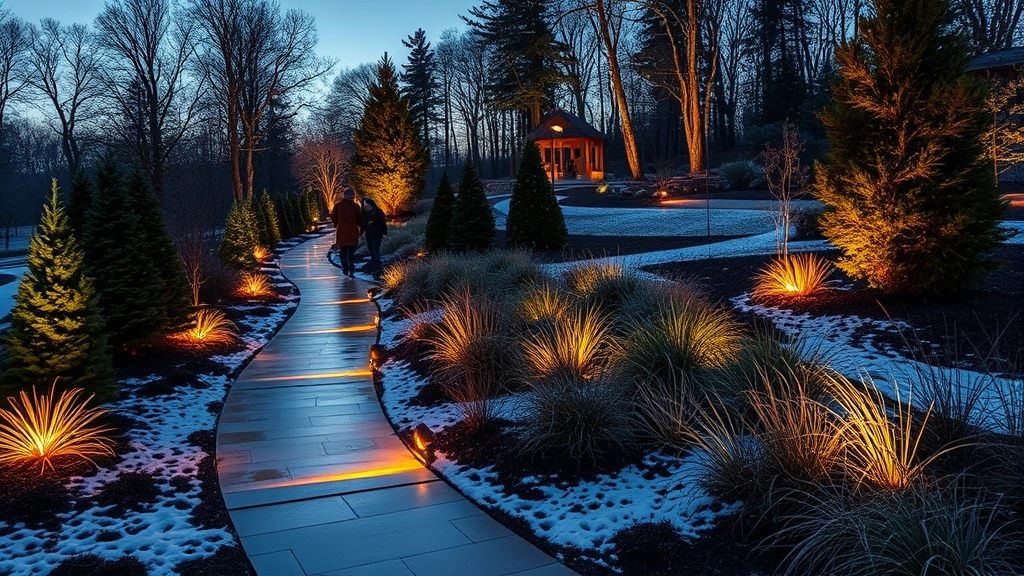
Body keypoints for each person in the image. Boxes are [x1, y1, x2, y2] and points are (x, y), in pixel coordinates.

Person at [330, 188, 363, 277]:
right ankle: (351, 266)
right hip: (352, 230)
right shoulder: (355, 206)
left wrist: (336, 224)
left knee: (343, 250)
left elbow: (334, 217)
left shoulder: (338, 205)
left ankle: (345, 267)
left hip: (342, 230)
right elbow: (359, 218)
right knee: (352, 250)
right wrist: (362, 227)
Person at [360, 197, 388, 274]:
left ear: (371, 205)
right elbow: (363, 224)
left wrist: (383, 231)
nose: (366, 207)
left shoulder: (378, 212)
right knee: (371, 249)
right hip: (369, 233)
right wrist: (362, 231)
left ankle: (377, 264)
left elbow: (382, 223)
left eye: (367, 205)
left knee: (376, 249)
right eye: (365, 206)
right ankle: (373, 262)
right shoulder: (365, 214)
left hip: (376, 233)